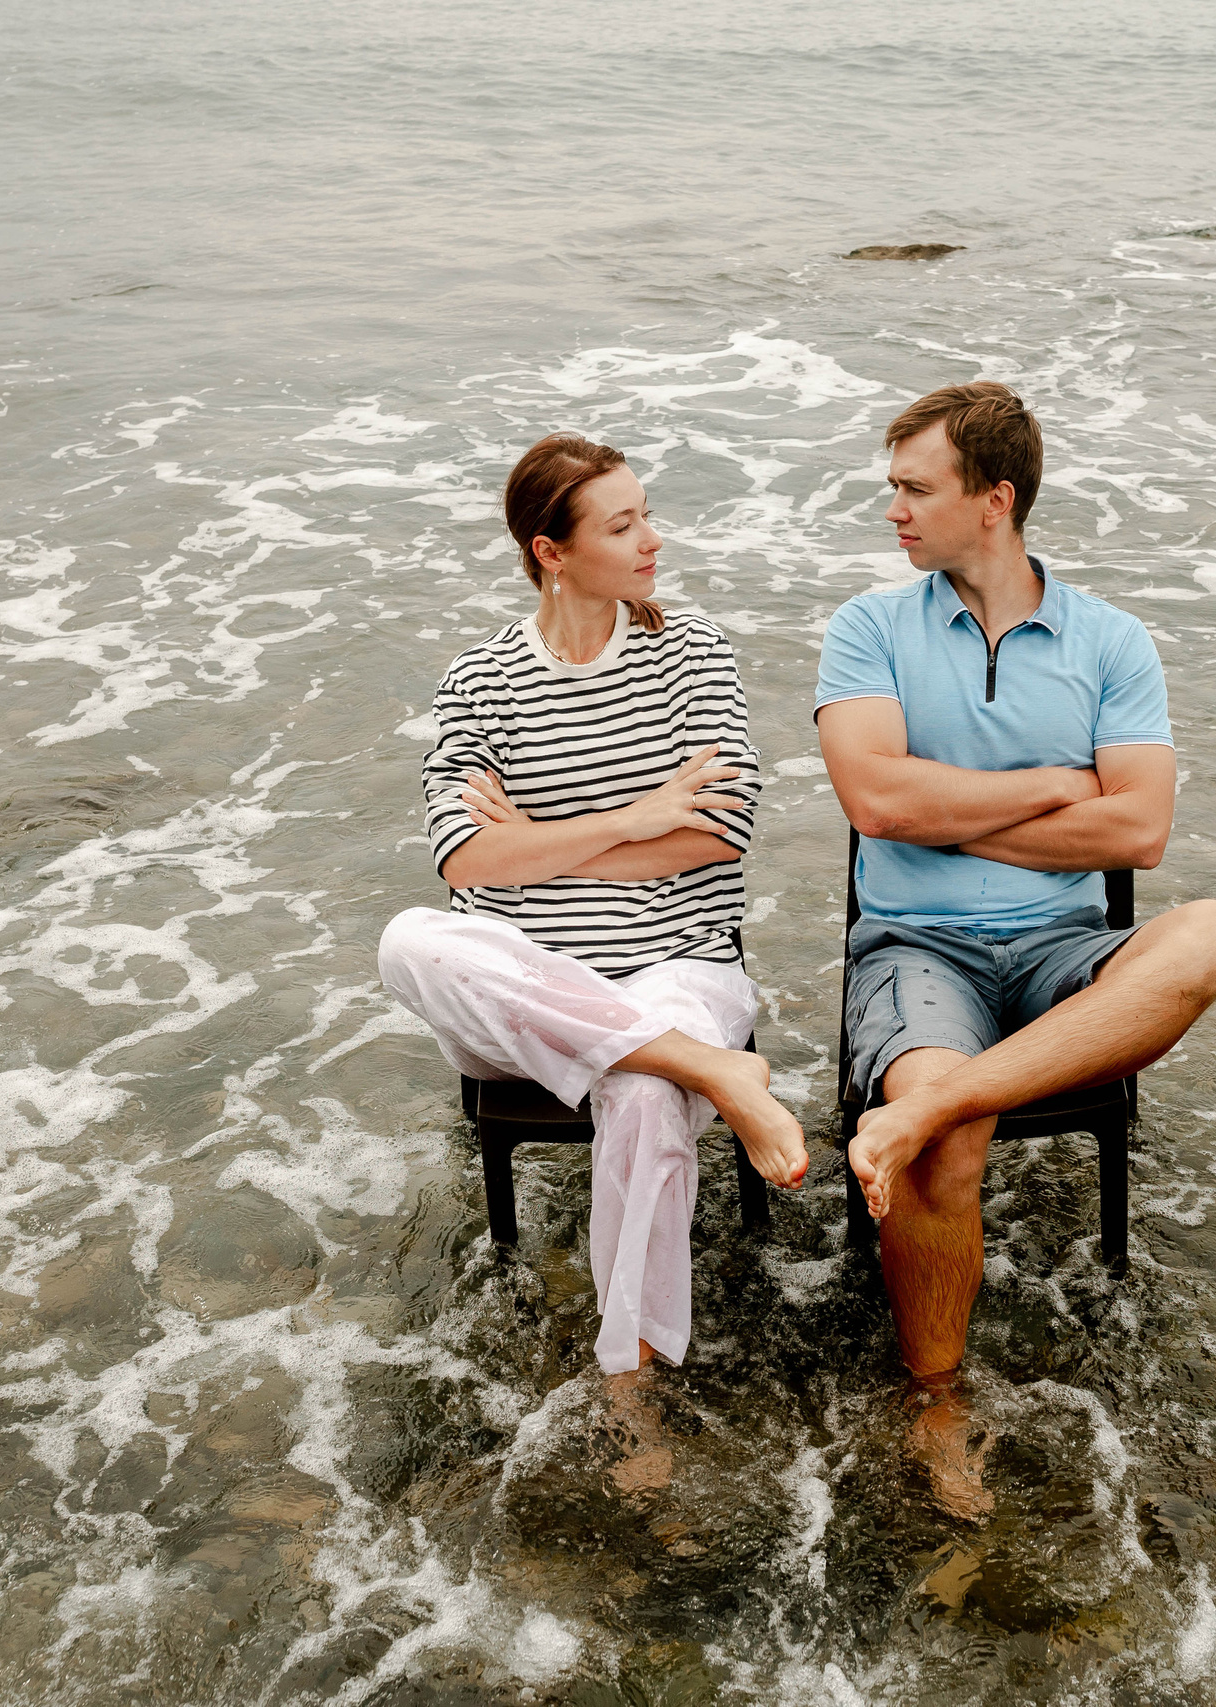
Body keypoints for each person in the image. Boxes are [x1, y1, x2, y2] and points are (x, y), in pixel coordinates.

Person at [814, 382, 1216, 1511]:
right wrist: (1048, 798)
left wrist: (951, 807)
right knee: (952, 1146)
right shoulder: (868, 627)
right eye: (893, 488)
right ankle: (937, 1405)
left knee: (1214, 934)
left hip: (1066, 945)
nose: (894, 510)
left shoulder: (1110, 639)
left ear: (993, 501)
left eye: (916, 489)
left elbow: (1139, 829)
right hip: (918, 947)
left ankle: (920, 1106)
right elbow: (875, 800)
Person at [380, 435, 810, 1426]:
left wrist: (535, 840)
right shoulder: (480, 681)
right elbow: (459, 862)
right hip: (526, 978)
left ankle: (630, 1386)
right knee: (409, 936)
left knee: (642, 1088)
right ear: (552, 551)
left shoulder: (689, 653)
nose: (653, 540)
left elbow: (717, 835)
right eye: (623, 526)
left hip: (676, 964)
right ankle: (720, 1073)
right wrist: (632, 817)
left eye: (646, 515)